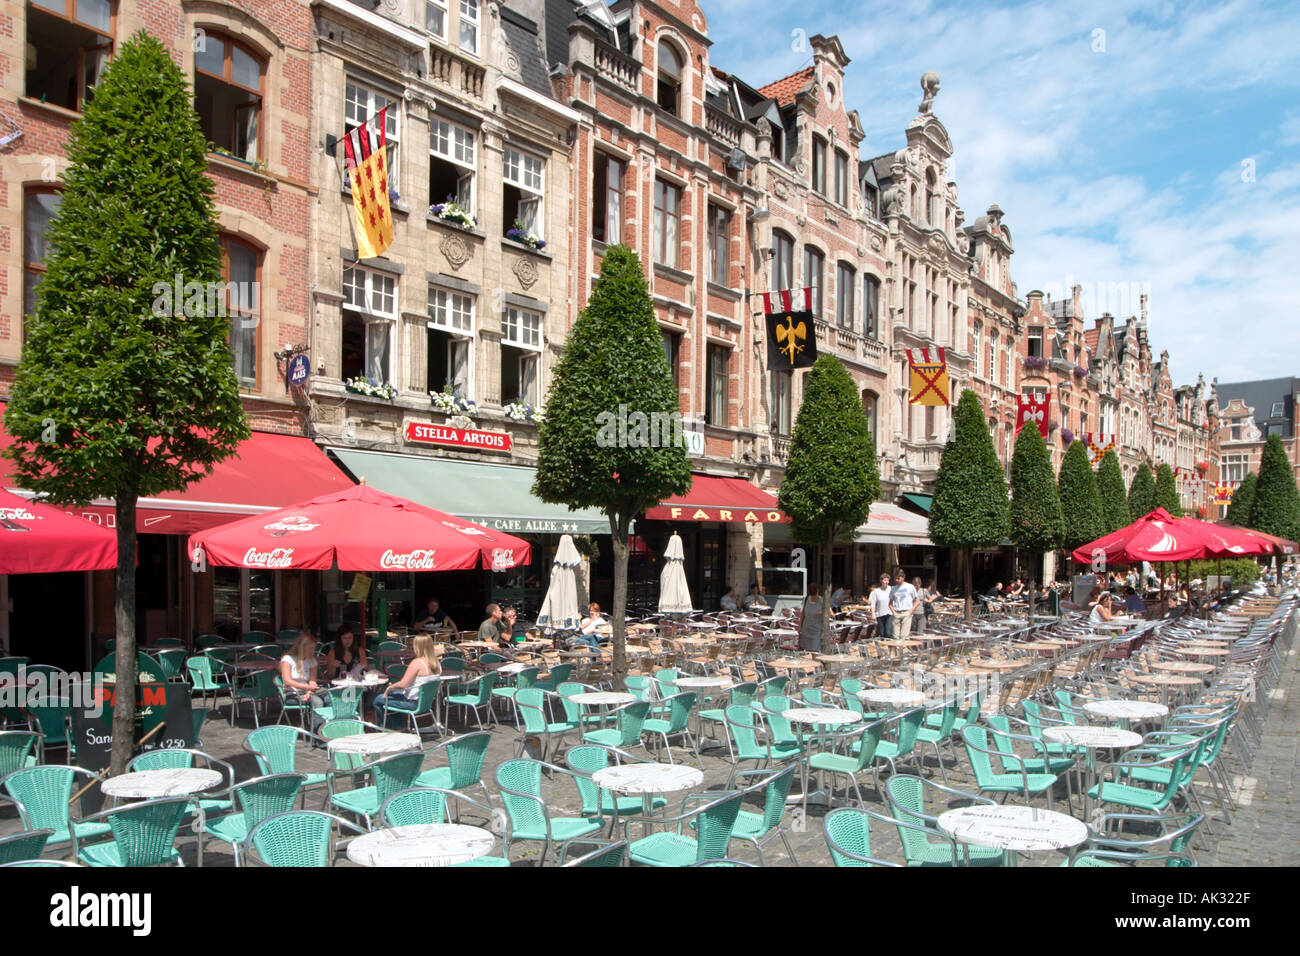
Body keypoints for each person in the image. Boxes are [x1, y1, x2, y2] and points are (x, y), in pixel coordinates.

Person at [374, 635, 442, 728]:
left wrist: (389, 687)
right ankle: (398, 727)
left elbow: (403, 684)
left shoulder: (417, 663)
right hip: (425, 703)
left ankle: (391, 729)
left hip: (412, 703)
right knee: (393, 695)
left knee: (378, 700)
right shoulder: (437, 663)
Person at [279, 632, 325, 726]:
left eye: (313, 648)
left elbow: (312, 681)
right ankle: (316, 731)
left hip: (307, 690)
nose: (313, 651)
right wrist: (306, 688)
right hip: (292, 693)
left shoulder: (312, 661)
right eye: (310, 649)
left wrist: (309, 691)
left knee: (329, 698)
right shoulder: (288, 659)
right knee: (318, 702)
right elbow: (287, 681)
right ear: (302, 647)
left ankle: (328, 727)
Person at [890, 569, 918, 640]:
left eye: (898, 578)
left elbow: (917, 601)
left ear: (903, 577)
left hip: (906, 612)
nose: (897, 580)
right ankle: (897, 650)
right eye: (895, 578)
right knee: (895, 636)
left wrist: (910, 611)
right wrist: (893, 612)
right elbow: (890, 603)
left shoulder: (910, 587)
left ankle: (903, 650)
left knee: (904, 636)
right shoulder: (893, 588)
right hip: (897, 613)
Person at [799, 585, 825, 653]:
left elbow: (831, 614)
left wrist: (822, 613)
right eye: (812, 595)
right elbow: (803, 613)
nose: (814, 597)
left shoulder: (822, 600)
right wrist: (799, 626)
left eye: (815, 595)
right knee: (806, 649)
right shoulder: (807, 599)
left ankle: (815, 662)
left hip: (817, 629)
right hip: (806, 628)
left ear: (817, 592)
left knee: (815, 649)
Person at [869, 574, 894, 640]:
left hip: (889, 613)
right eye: (885, 580)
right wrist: (873, 614)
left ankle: (890, 646)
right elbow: (873, 603)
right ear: (881, 581)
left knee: (888, 632)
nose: (886, 582)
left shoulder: (891, 589)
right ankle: (884, 647)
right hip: (880, 614)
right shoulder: (876, 591)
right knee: (882, 633)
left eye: (887, 580)